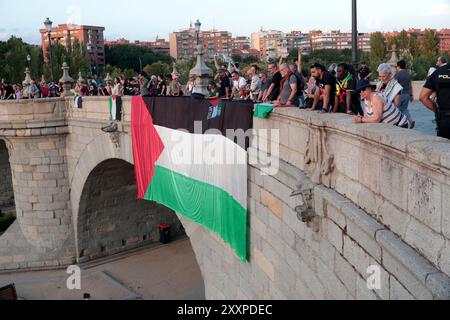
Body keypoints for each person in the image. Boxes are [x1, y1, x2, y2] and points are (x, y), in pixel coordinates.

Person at [420, 59, 450, 139]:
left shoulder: (438, 72)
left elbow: (423, 97)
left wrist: (438, 111)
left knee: (443, 149)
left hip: (445, 118)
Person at [395, 60, 415, 129]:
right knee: (404, 109)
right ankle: (411, 120)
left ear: (398, 66)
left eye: (396, 66)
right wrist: (411, 95)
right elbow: (410, 86)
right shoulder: (408, 74)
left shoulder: (397, 75)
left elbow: (394, 85)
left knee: (397, 109)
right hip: (407, 94)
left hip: (399, 95)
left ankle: (400, 123)